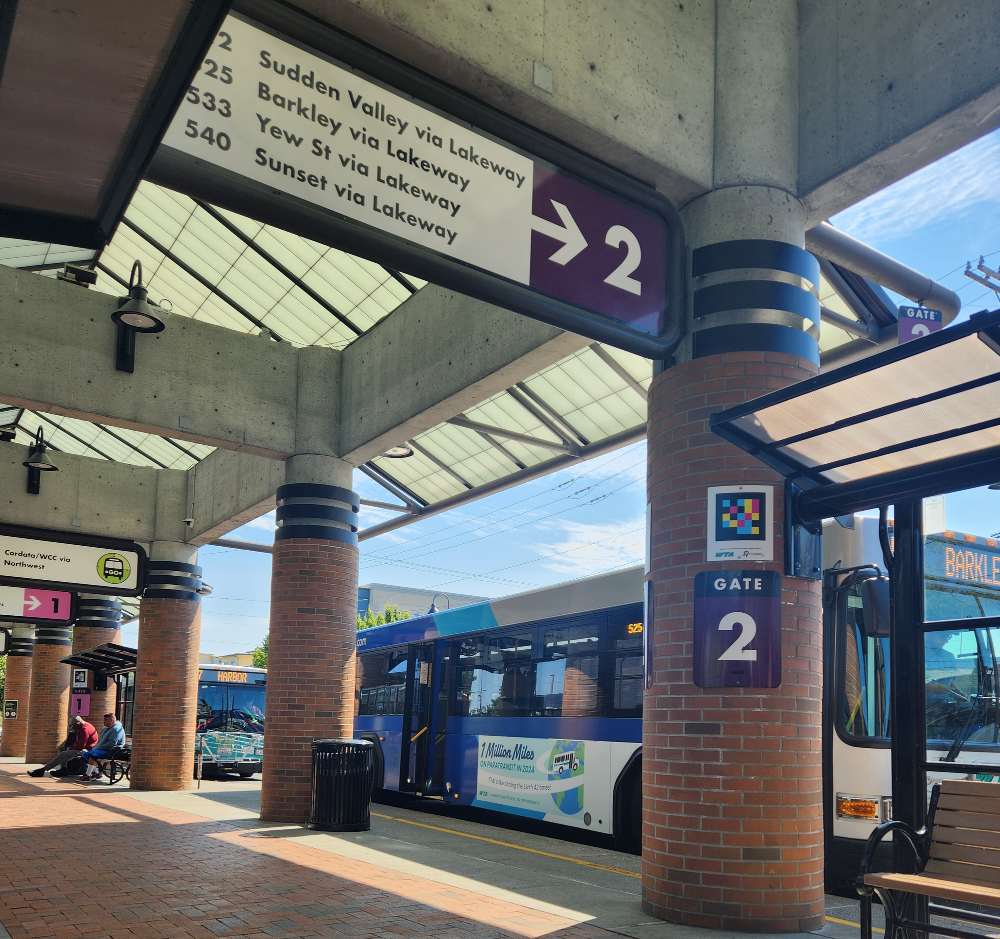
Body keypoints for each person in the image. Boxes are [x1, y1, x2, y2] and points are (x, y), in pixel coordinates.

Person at [27, 716, 98, 777]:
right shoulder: (83, 727)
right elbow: (78, 743)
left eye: (73, 725)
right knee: (62, 752)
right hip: (85, 748)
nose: (73, 727)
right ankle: (63, 769)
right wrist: (68, 748)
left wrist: (68, 748)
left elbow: (81, 745)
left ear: (78, 723)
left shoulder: (84, 729)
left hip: (88, 750)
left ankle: (43, 770)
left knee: (63, 754)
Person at [77, 713, 126, 780]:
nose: (103, 721)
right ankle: (96, 773)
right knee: (85, 754)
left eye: (105, 719)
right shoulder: (105, 729)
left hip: (112, 751)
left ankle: (87, 775)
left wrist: (99, 747)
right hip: (103, 749)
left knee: (93, 754)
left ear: (111, 720)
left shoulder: (116, 729)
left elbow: (112, 743)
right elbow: (100, 741)